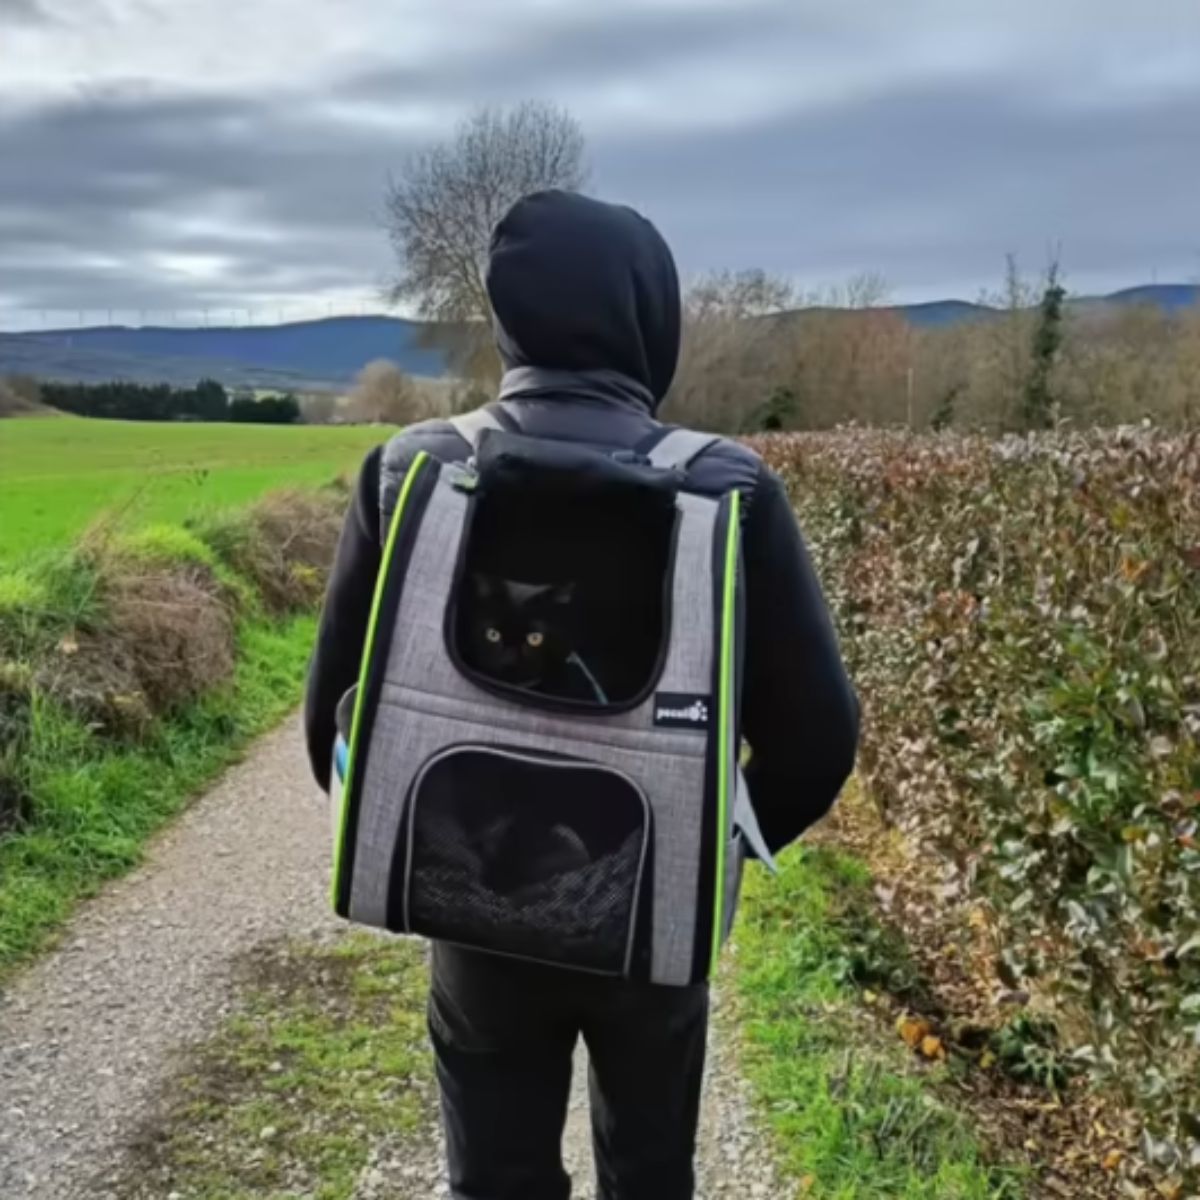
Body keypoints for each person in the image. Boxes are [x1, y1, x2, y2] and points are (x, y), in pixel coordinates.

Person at [305, 189, 858, 1200]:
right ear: (653, 321)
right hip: (652, 918)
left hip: (474, 911)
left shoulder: (412, 471)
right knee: (649, 1174)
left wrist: (439, 832)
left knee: (495, 1178)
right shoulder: (728, 490)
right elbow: (821, 740)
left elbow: (334, 718)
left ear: (512, 316)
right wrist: (707, 845)